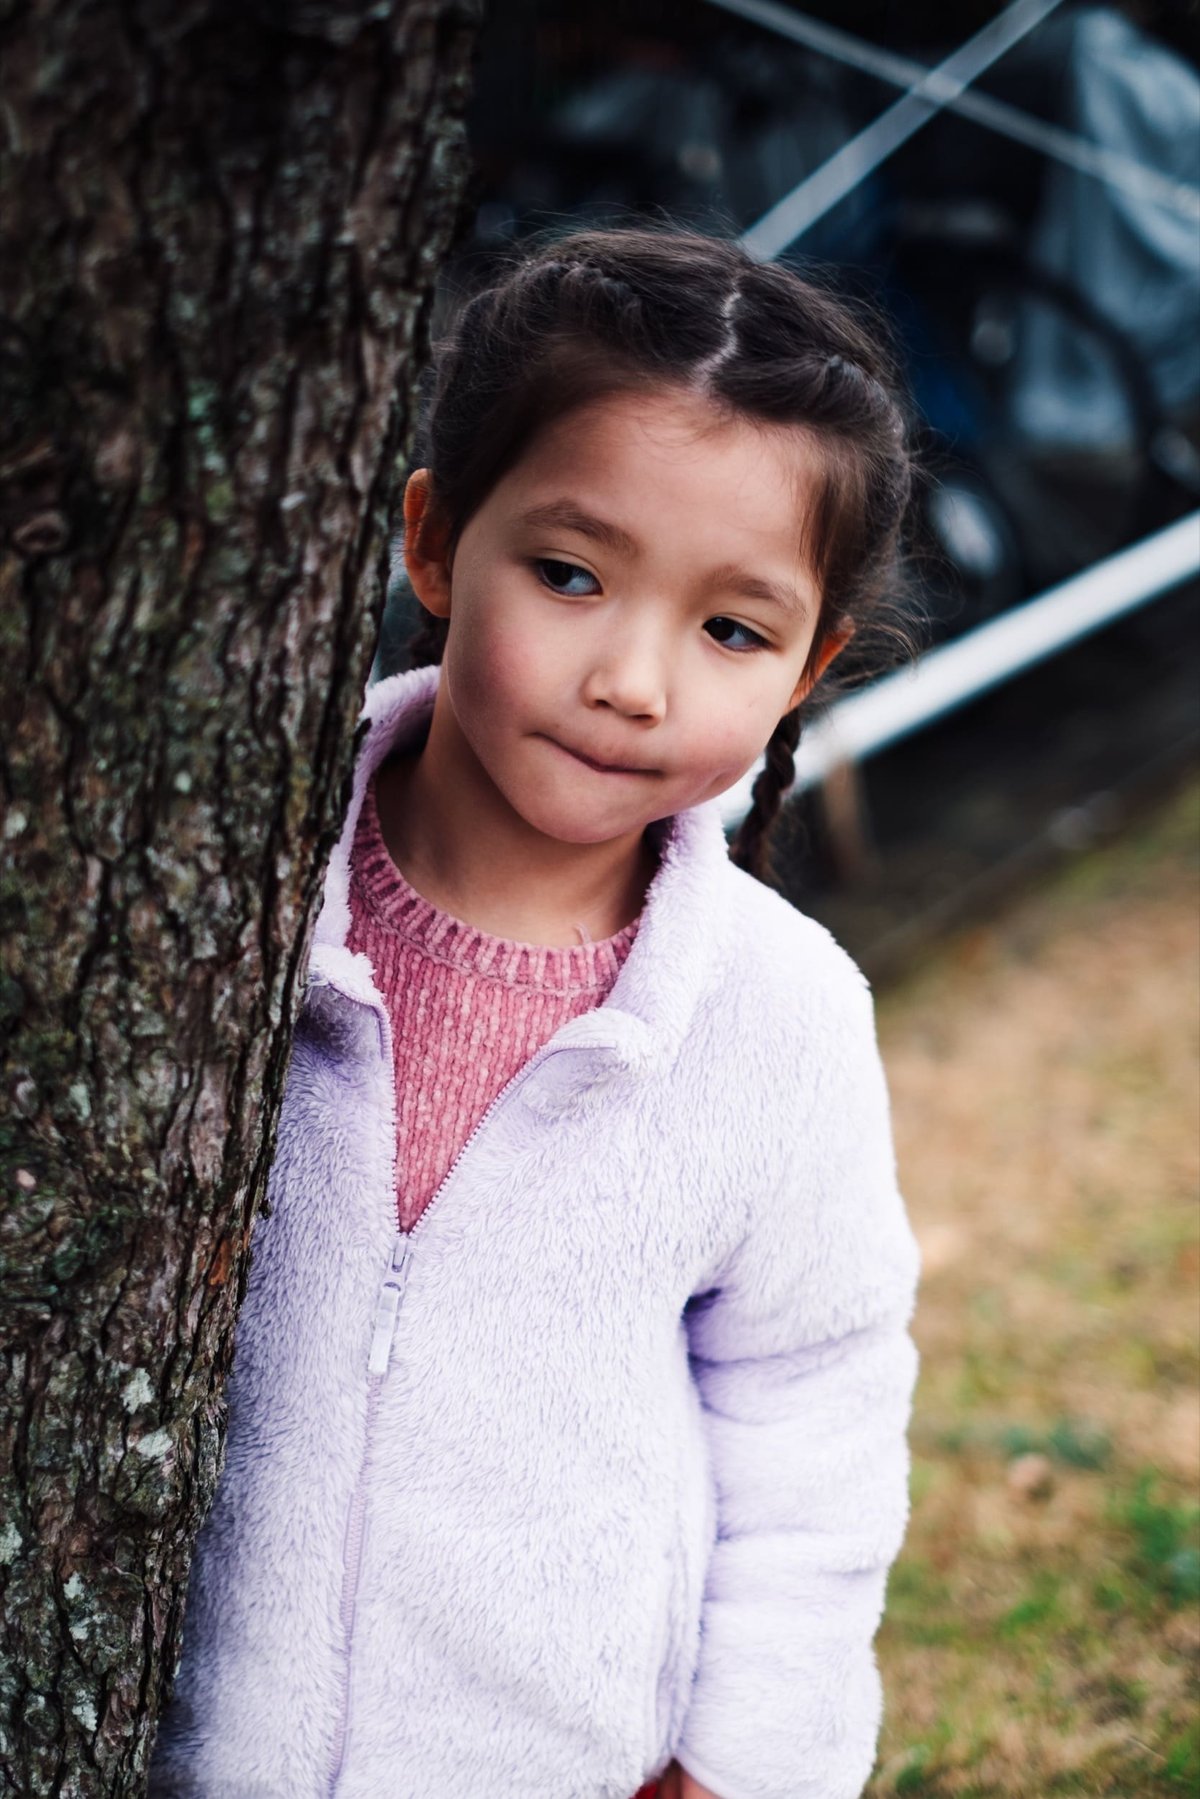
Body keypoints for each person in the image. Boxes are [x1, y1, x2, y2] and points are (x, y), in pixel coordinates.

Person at [150, 225, 922, 1799]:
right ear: (435, 544)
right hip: (181, 1751)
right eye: (569, 575)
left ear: (811, 665)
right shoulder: (214, 912)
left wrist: (748, 1761)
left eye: (732, 629)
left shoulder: (778, 1021)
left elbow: (813, 1415)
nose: (634, 679)